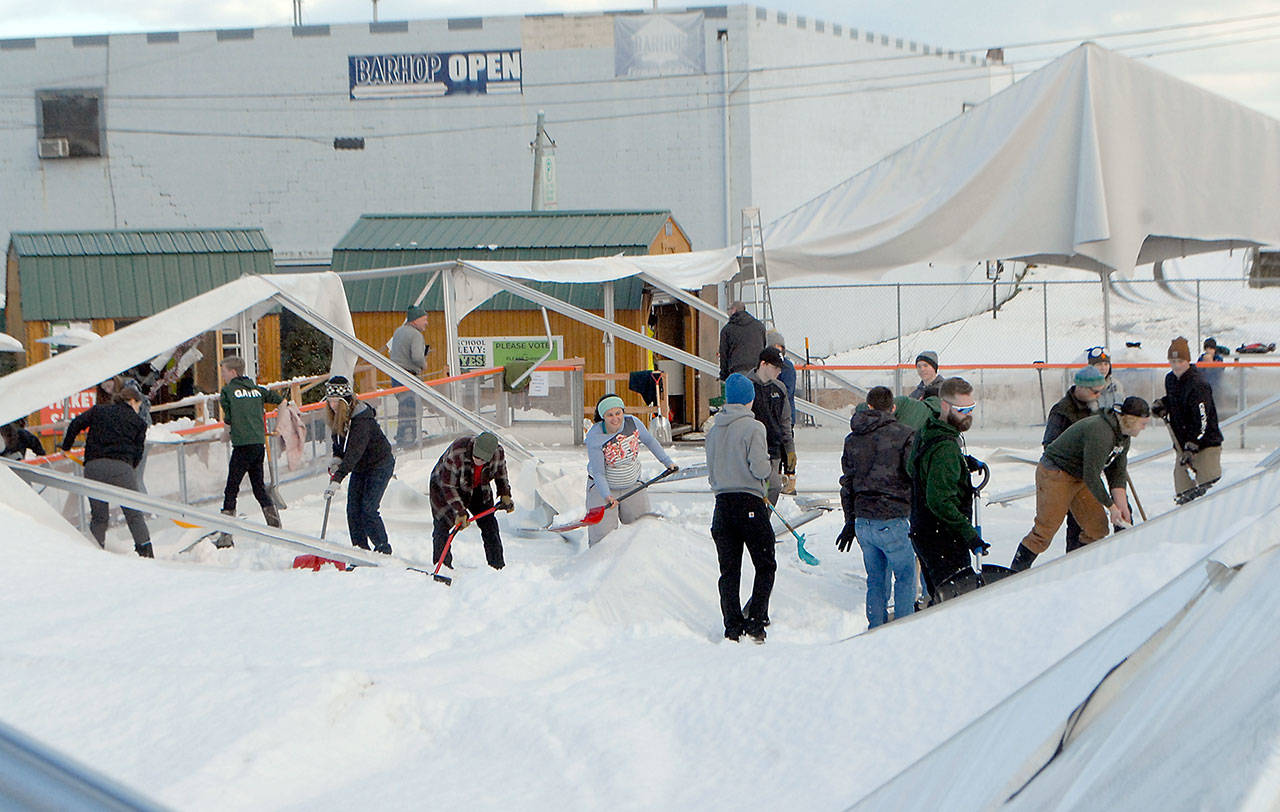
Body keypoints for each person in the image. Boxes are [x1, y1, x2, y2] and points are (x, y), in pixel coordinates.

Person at [1010, 397, 1151, 572]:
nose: (1144, 428)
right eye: (1143, 423)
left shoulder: (1123, 436)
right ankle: (1015, 571)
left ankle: (1077, 569)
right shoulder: (1101, 431)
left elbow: (1117, 473)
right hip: (1056, 472)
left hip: (1079, 476)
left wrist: (1122, 507)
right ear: (1130, 419)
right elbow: (1092, 475)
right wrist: (1111, 507)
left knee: (1097, 528)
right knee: (1045, 531)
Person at [837, 386, 916, 627]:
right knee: (905, 576)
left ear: (868, 406)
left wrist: (849, 521)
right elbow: (914, 475)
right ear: (893, 408)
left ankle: (876, 630)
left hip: (863, 520)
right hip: (894, 517)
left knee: (875, 579)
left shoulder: (852, 439)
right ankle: (904, 629)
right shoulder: (905, 435)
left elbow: (847, 483)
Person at [705, 373, 775, 643]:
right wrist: (766, 469)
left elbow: (711, 473)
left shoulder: (713, 430)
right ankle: (757, 621)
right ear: (750, 399)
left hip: (722, 505)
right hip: (749, 503)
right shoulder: (754, 427)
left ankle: (732, 626)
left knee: (729, 570)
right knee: (765, 562)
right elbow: (760, 467)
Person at [909, 377, 985, 601]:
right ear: (945, 405)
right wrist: (970, 536)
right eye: (962, 410)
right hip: (943, 538)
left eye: (971, 408)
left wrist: (961, 463)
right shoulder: (945, 449)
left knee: (940, 595)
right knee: (956, 601)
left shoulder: (928, 429)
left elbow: (912, 465)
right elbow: (939, 501)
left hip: (924, 532)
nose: (968, 415)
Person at [60, 386, 153, 557]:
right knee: (134, 514)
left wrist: (66, 446)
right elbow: (138, 453)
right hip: (122, 468)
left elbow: (75, 424)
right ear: (132, 401)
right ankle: (146, 553)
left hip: (94, 467)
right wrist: (128, 467)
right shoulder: (139, 423)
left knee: (99, 516)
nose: (138, 409)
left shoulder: (99, 411)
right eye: (138, 405)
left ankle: (96, 553)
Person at [584, 394, 678, 547]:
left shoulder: (632, 423)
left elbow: (650, 441)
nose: (615, 418)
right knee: (603, 540)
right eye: (610, 415)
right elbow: (599, 472)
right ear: (603, 417)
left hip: (633, 484)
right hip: (603, 490)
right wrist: (606, 495)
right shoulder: (595, 436)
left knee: (641, 531)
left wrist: (667, 462)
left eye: (618, 413)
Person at [322, 376, 396, 555]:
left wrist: (338, 479)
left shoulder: (362, 419)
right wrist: (336, 459)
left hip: (379, 464)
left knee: (368, 508)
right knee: (353, 510)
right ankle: (360, 549)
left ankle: (382, 549)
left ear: (345, 402)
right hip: (360, 467)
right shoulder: (338, 418)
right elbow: (339, 443)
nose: (331, 405)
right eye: (329, 401)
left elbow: (355, 452)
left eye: (335, 401)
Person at [218, 356, 283, 547]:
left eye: (223, 371)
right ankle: (275, 527)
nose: (222, 375)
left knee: (231, 489)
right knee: (259, 488)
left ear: (232, 372)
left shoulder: (228, 391)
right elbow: (282, 401)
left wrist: (225, 434)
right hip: (258, 445)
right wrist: (278, 426)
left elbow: (229, 419)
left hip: (242, 446)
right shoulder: (256, 390)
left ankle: (226, 536)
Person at [429, 431, 513, 570]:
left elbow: (501, 474)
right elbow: (448, 486)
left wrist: (505, 493)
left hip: (477, 487)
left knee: (489, 525)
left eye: (483, 459)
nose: (479, 461)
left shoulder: (497, 453)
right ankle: (442, 566)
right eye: (476, 457)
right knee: (442, 526)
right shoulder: (457, 452)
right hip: (445, 486)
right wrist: (460, 511)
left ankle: (497, 567)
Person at [1153, 336, 1222, 501]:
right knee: (1184, 493)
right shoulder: (1170, 379)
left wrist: (1193, 444)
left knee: (1209, 494)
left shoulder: (1198, 384)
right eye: (1173, 361)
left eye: (1180, 361)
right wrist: (1163, 404)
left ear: (1188, 360)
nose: (1176, 365)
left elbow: (1202, 419)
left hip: (1205, 445)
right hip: (1182, 446)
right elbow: (1176, 401)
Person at [1044, 366, 1106, 552]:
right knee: (1068, 524)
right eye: (1095, 391)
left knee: (1094, 525)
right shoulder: (1062, 411)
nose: (1098, 395)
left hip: (1087, 475)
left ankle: (1086, 560)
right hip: (1065, 474)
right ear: (1081, 388)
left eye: (1100, 392)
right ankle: (1072, 559)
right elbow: (1049, 445)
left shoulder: (1095, 408)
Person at [746, 347, 795, 505]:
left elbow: (785, 421)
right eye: (775, 367)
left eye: (780, 368)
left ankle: (762, 523)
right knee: (754, 493)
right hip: (751, 451)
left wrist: (790, 451)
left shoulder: (779, 388)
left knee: (773, 488)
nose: (779, 371)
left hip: (773, 451)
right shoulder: (747, 386)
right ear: (763, 364)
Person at [389, 303, 430, 447]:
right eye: (424, 319)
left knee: (403, 406)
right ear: (415, 320)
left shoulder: (398, 331)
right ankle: (411, 436)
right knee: (412, 407)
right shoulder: (416, 335)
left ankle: (402, 434)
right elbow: (417, 357)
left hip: (395, 376)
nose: (426, 322)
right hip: (409, 376)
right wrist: (424, 364)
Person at [718, 301, 766, 381]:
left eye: (728, 309)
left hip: (737, 370)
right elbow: (764, 346)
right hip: (757, 370)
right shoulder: (759, 326)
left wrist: (724, 376)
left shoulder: (728, 329)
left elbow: (723, 354)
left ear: (734, 310)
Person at [1085, 346, 1123, 412]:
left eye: (1106, 364)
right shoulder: (1083, 387)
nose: (1103, 368)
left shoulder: (1116, 385)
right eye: (1099, 364)